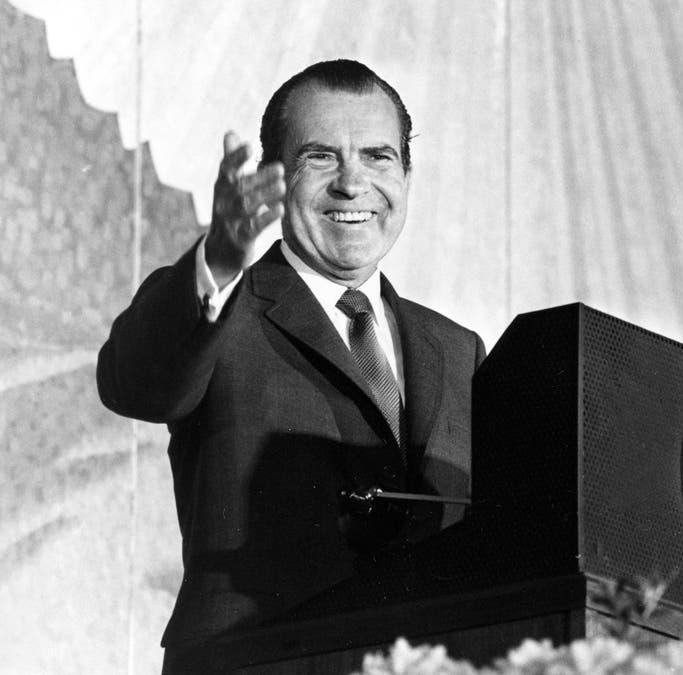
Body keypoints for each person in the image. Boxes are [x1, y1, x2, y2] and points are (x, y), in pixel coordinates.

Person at [96, 60, 485, 669]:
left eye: (379, 157)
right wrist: (220, 260)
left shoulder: (459, 351)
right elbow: (135, 383)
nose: (352, 185)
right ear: (272, 178)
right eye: (321, 157)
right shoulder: (224, 303)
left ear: (407, 174)